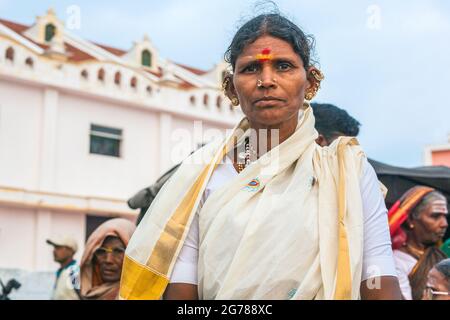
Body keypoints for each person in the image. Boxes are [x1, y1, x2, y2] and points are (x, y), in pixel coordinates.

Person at [120, 12, 402, 300]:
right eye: (252, 68)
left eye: (283, 66)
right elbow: (182, 287)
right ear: (231, 86)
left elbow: (378, 276)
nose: (267, 81)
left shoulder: (347, 171)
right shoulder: (202, 175)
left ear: (311, 81)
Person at [389, 186, 448, 299]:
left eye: (445, 216)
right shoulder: (396, 261)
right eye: (435, 216)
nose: (444, 223)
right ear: (411, 220)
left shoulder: (438, 254)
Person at [80, 218, 135, 300]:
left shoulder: (144, 295)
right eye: (101, 251)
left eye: (118, 251)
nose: (108, 260)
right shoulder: (82, 291)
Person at [46, 236, 80, 300]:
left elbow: (83, 296)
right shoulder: (60, 272)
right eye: (54, 247)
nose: (54, 251)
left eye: (58, 247)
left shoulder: (74, 272)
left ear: (70, 251)